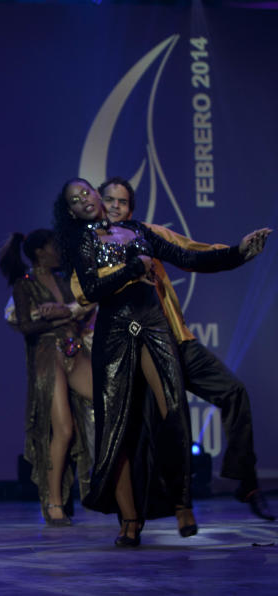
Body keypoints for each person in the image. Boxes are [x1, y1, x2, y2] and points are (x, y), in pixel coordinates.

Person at [53, 177, 269, 546]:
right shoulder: (78, 241)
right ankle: (130, 521)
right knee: (117, 431)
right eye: (76, 199)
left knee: (173, 410)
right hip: (115, 331)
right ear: (71, 210)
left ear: (97, 196)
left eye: (86, 192)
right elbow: (90, 290)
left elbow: (189, 257)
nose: (84, 200)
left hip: (154, 323)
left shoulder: (139, 231)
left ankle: (183, 502)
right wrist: (133, 270)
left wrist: (238, 253)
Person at [0, 229, 96, 525]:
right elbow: (25, 326)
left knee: (109, 403)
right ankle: (53, 502)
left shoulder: (65, 279)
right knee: (63, 429)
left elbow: (84, 306)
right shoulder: (24, 284)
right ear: (40, 251)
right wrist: (51, 316)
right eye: (54, 246)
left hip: (73, 349)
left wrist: (65, 313)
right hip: (47, 355)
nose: (59, 252)